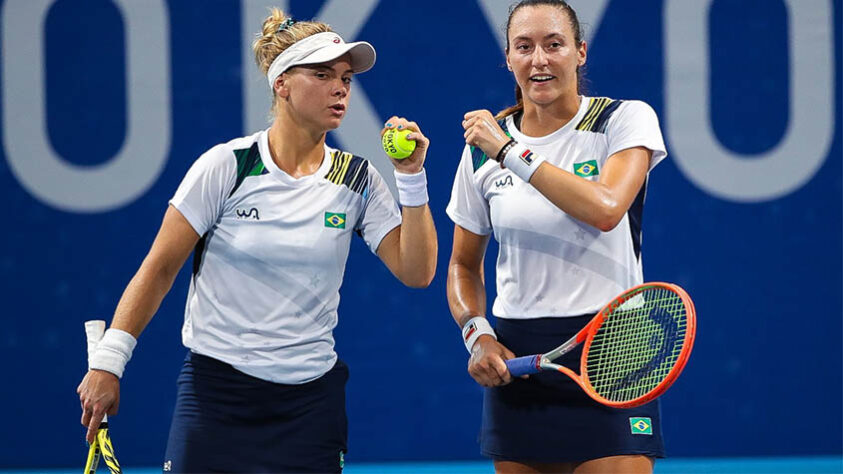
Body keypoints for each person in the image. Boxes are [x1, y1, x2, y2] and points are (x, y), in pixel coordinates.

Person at [76, 9, 437, 473]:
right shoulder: (227, 165)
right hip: (216, 396)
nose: (340, 87)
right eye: (323, 74)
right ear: (281, 83)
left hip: (311, 404)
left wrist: (411, 178)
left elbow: (418, 271)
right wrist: (109, 362)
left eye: (346, 77)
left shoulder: (357, 179)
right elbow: (159, 268)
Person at [446, 1, 668, 472]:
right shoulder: (479, 156)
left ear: (580, 52)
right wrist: (478, 336)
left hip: (615, 344)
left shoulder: (622, 120)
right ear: (508, 58)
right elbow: (463, 266)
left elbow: (607, 209)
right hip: (519, 354)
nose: (539, 60)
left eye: (554, 45)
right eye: (524, 47)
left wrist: (510, 152)